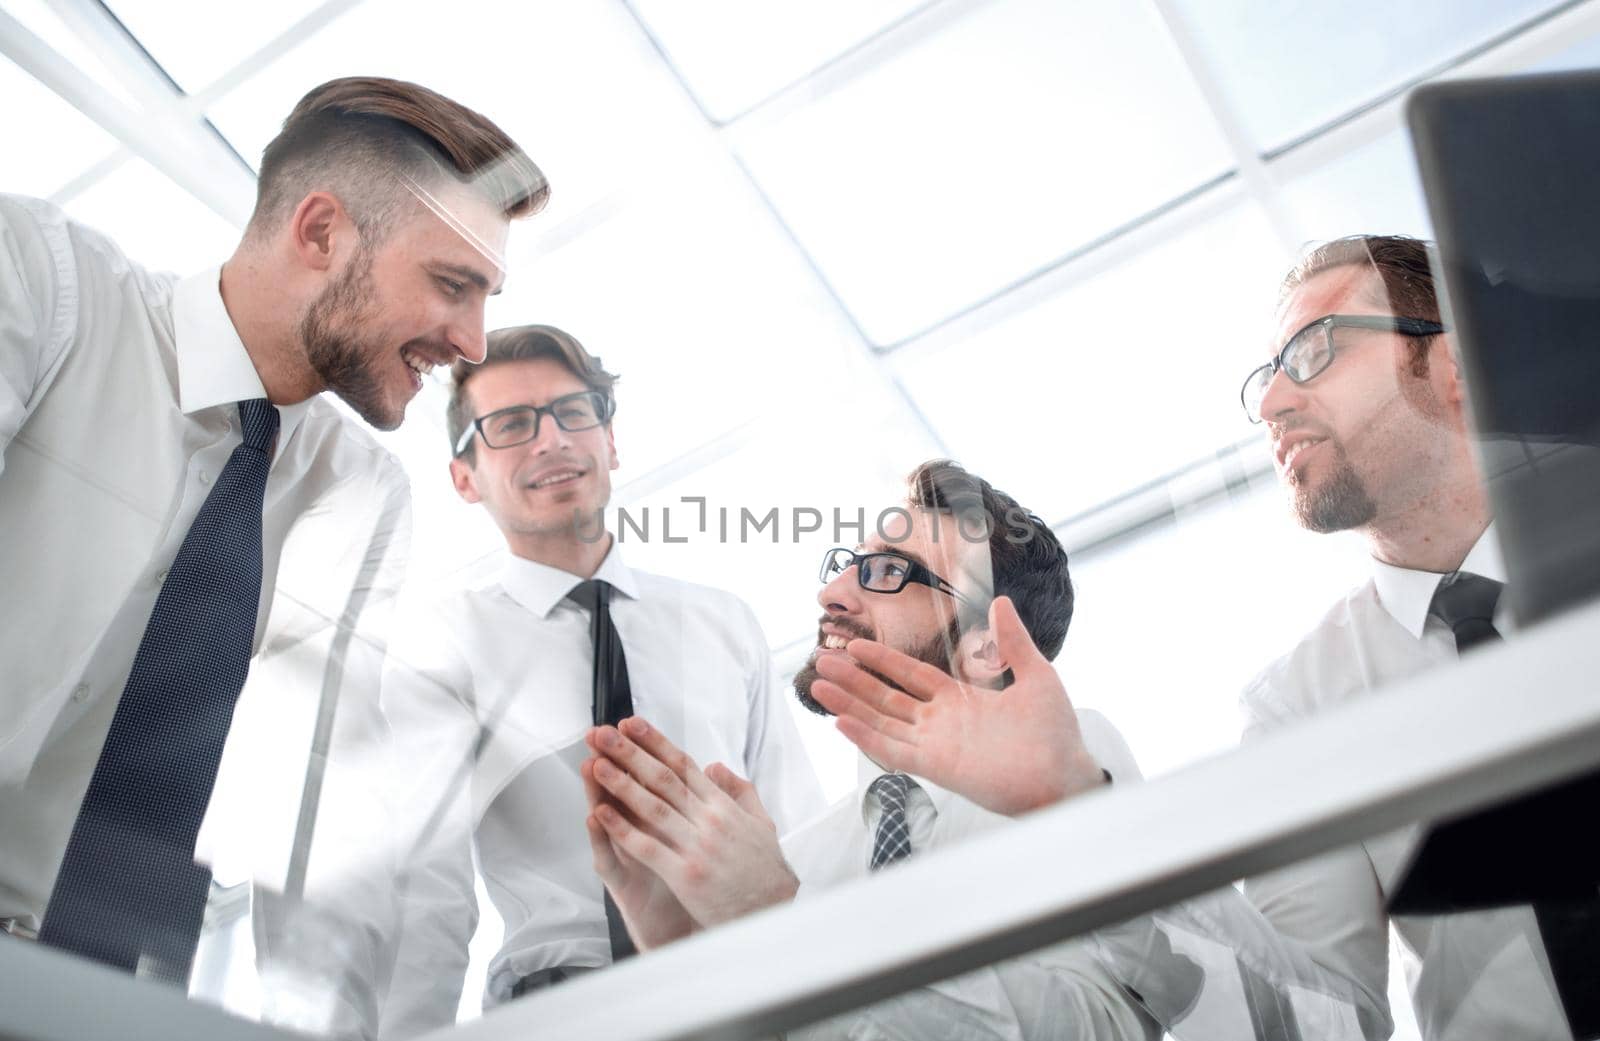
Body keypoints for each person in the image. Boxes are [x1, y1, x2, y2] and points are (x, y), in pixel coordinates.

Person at [828, 238, 1578, 1040]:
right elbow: (1328, 1023)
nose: (1271, 405)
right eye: (1266, 378)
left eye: (1315, 349)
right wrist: (1086, 815)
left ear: (1455, 361)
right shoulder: (1300, 706)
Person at [0, 75, 545, 990]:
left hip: (98, 992)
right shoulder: (46, 286)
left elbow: (322, 803)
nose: (476, 342)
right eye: (453, 285)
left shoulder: (356, 490)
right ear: (321, 231)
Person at [582, 460, 1157, 1041]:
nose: (831, 593)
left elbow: (1104, 1028)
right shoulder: (802, 859)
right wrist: (682, 955)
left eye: (887, 571)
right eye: (849, 564)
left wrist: (782, 918)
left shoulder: (1070, 775)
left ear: (987, 648)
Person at [375, 324, 823, 1037]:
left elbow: (801, 835)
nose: (550, 440)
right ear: (465, 477)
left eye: (573, 411)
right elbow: (426, 892)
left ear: (610, 442)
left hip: (740, 990)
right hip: (556, 1010)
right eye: (511, 424)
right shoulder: (440, 645)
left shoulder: (724, 623)